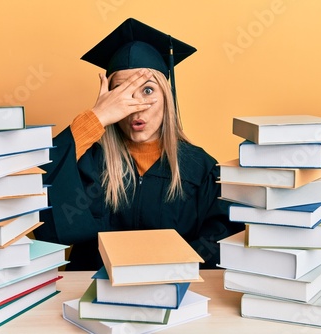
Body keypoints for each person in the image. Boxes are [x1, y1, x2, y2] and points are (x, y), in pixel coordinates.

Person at [34, 18, 244, 270]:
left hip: (172, 293)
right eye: (121, 93)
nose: (134, 106)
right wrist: (95, 119)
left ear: (167, 96)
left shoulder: (198, 167)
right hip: (92, 294)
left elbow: (223, 237)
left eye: (147, 90)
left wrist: (173, 268)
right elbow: (40, 199)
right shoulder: (88, 161)